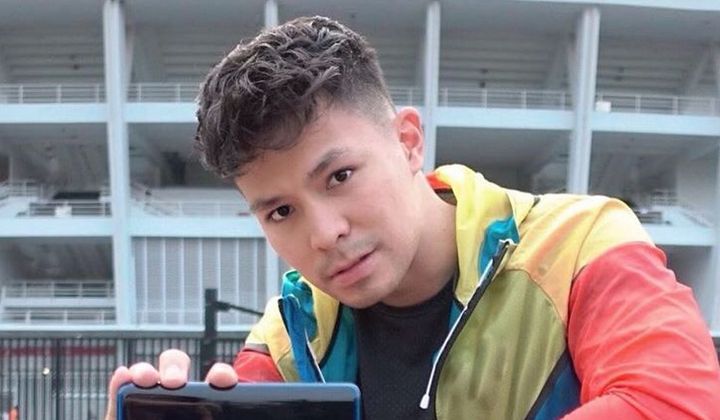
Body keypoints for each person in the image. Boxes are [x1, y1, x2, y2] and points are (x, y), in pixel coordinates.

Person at [105, 16, 720, 420]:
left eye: (340, 177)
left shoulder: (581, 244)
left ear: (407, 142)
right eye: (281, 211)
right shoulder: (290, 332)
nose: (324, 234)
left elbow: (676, 404)